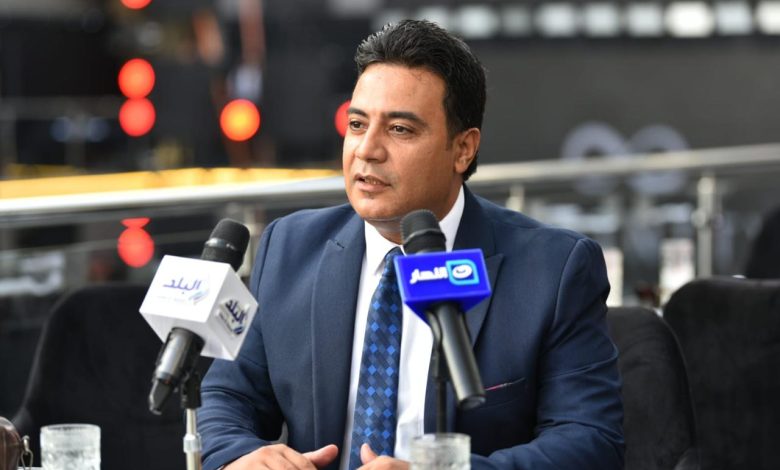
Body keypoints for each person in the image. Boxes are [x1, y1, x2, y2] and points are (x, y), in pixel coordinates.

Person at [198, 19, 624, 470]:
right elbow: (227, 395)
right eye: (357, 124)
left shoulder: (553, 269)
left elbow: (590, 440)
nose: (367, 150)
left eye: (400, 129)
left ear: (463, 149)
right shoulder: (289, 248)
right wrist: (241, 457)